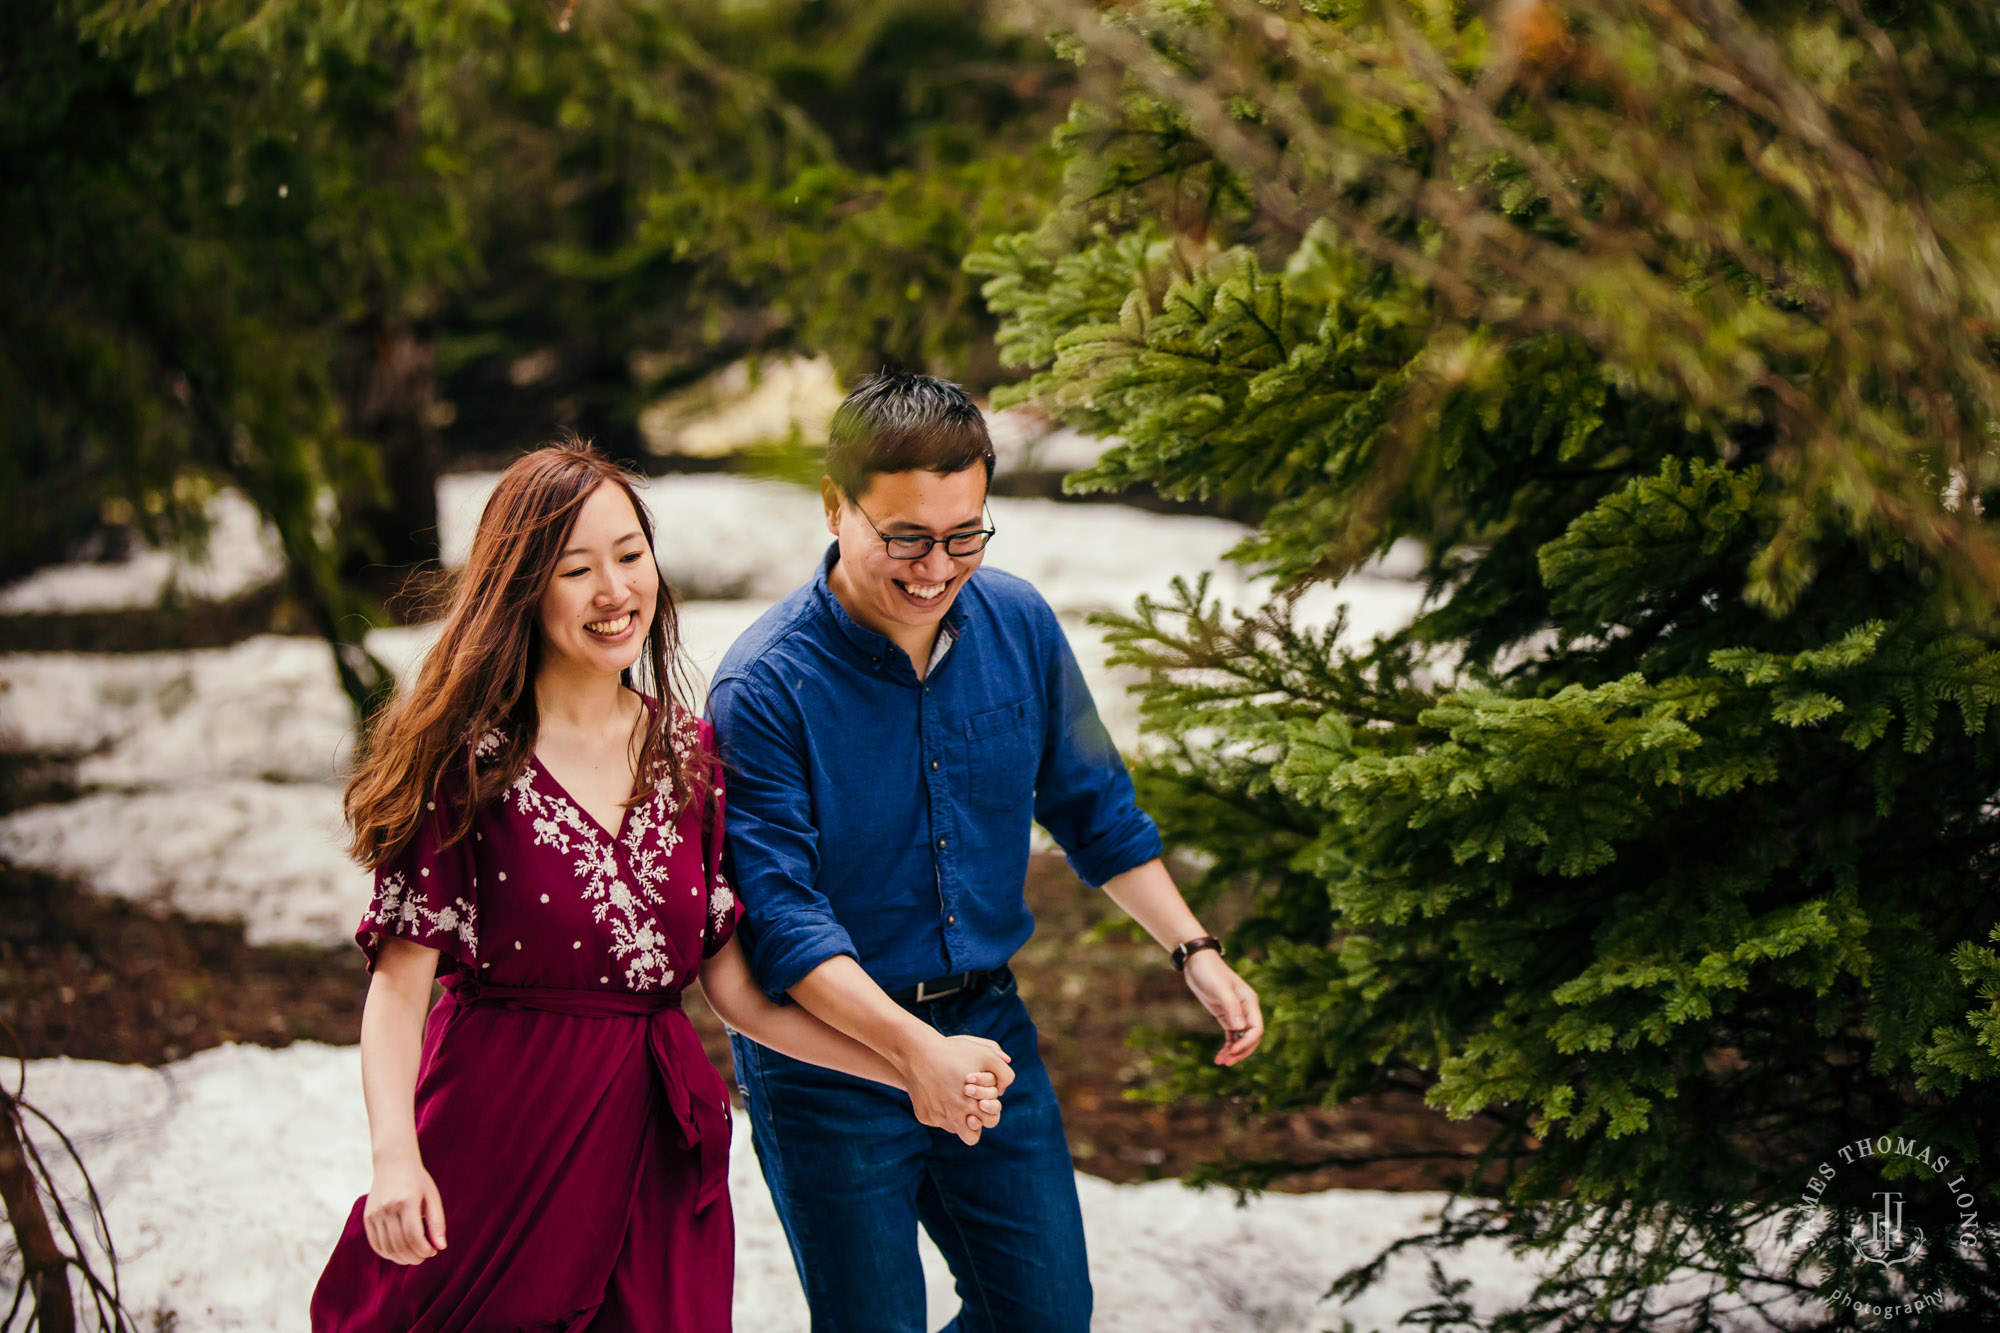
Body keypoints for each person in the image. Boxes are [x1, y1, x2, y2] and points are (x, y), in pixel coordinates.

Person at [310, 441, 1013, 1333]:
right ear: (523, 588)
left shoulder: (689, 754)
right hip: (499, 1144)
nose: (615, 591)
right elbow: (397, 992)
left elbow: (742, 999)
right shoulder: (471, 765)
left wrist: (915, 1066)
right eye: (576, 569)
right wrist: (395, 1158)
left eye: (630, 556)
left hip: (659, 1156)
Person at [708, 372, 1267, 1333]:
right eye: (907, 538)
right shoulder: (761, 690)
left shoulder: (1021, 625)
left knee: (1043, 1317)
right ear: (836, 505)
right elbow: (785, 925)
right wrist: (914, 1055)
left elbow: (1096, 809)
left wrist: (1195, 949)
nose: (936, 567)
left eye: (964, 534)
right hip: (828, 1060)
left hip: (990, 1028)